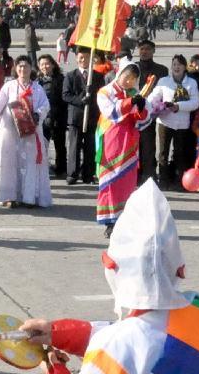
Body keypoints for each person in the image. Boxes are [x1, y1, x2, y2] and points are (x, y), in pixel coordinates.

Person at [21, 181, 199, 374]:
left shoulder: (120, 344)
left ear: (114, 267)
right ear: (178, 267)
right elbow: (146, 346)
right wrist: (57, 332)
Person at [0, 55, 51, 208]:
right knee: (10, 162)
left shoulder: (37, 88)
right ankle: (9, 196)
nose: (23, 69)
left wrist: (37, 114)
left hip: (30, 131)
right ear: (16, 68)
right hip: (10, 131)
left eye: (26, 66)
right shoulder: (9, 86)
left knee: (30, 162)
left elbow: (45, 105)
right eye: (20, 66)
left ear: (31, 68)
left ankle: (30, 196)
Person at [95, 61, 150, 238]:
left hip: (129, 141)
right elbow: (110, 112)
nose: (129, 81)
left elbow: (143, 121)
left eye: (133, 79)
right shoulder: (105, 92)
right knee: (110, 181)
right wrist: (130, 102)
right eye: (127, 76)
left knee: (127, 182)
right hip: (111, 140)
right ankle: (110, 222)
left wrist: (141, 108)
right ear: (119, 73)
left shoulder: (135, 93)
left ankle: (126, 219)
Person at [147, 54, 199, 190]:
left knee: (179, 153)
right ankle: (163, 180)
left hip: (182, 123)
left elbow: (195, 102)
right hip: (165, 122)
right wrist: (155, 104)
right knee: (163, 152)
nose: (176, 67)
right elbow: (154, 96)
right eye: (174, 64)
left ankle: (179, 181)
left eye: (179, 65)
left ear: (184, 67)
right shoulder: (164, 81)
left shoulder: (191, 83)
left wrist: (179, 106)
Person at [62, 49, 105, 185]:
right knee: (74, 147)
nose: (83, 60)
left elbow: (102, 95)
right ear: (76, 59)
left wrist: (92, 97)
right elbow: (66, 95)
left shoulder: (97, 76)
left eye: (86, 57)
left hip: (92, 117)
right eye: (80, 58)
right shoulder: (70, 75)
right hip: (76, 117)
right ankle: (72, 174)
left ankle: (88, 174)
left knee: (90, 147)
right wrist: (81, 100)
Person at [135, 39, 167, 185]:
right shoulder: (133, 68)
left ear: (153, 51)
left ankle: (149, 175)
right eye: (142, 49)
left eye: (148, 49)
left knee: (149, 145)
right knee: (135, 146)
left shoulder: (161, 70)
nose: (144, 51)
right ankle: (135, 174)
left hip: (152, 113)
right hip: (134, 112)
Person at [37, 54, 67, 178]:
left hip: (58, 116)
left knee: (60, 145)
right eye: (42, 64)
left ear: (53, 65)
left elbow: (64, 98)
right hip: (42, 117)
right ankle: (43, 168)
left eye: (47, 63)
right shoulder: (36, 81)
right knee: (42, 144)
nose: (45, 66)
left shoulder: (61, 79)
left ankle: (61, 169)